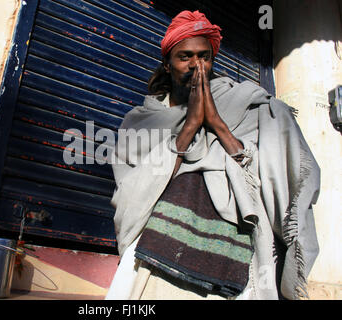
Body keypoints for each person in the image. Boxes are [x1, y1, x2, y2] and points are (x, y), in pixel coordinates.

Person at [106, 10, 320, 300]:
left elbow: (263, 174)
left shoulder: (244, 103)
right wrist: (191, 124)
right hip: (155, 247)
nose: (197, 65)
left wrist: (216, 123)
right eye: (185, 57)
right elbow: (133, 192)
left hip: (234, 244)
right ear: (167, 65)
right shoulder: (140, 121)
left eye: (204, 56)